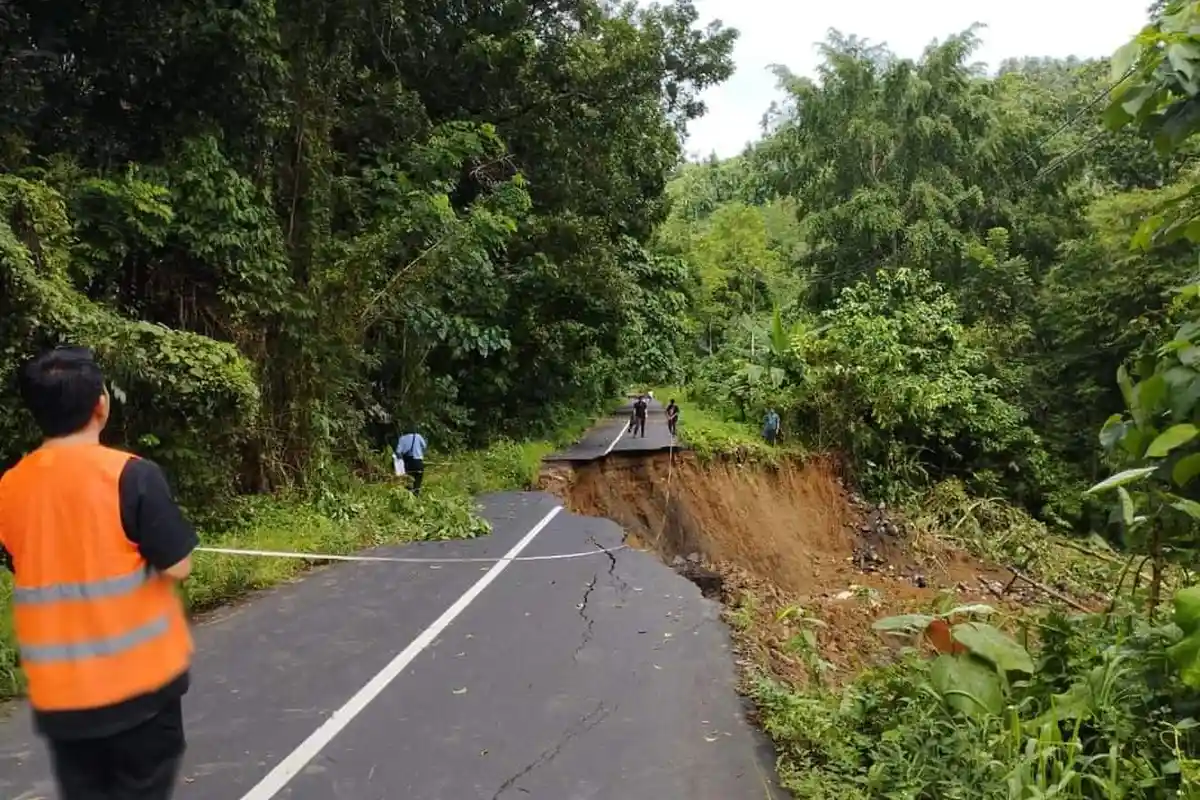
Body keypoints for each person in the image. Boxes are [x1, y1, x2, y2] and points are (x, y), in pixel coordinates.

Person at [0, 346, 198, 800]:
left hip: (63, 699)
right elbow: (179, 565)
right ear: (101, 404)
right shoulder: (132, 476)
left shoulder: (9, 487)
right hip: (140, 693)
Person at [396, 428, 428, 496]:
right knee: (418, 480)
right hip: (418, 462)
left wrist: (400, 463)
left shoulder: (402, 438)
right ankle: (416, 493)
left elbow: (398, 453)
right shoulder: (418, 436)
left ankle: (409, 496)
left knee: (408, 481)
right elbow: (424, 446)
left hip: (408, 463)